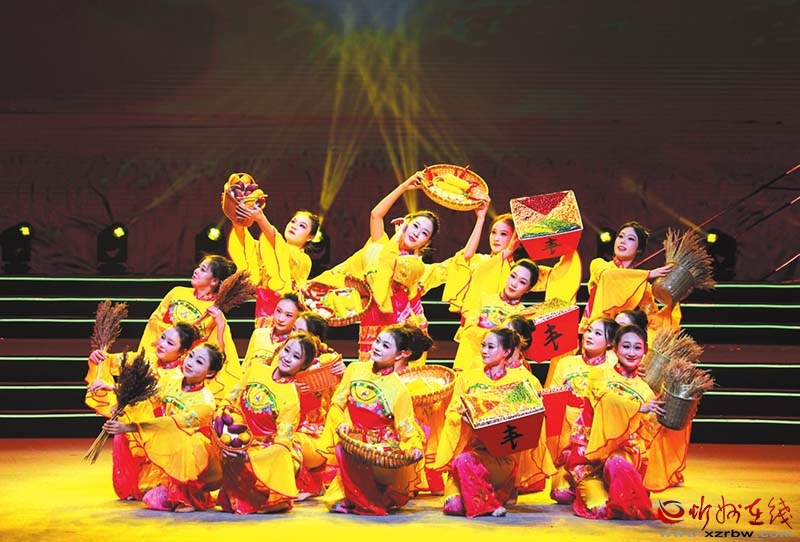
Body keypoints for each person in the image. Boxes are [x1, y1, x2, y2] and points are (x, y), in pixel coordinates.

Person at [310, 172, 457, 361]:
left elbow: (392, 262)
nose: (416, 233)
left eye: (424, 233)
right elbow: (376, 215)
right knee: (368, 371)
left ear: (426, 242)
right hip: (373, 319)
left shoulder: (416, 266)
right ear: (406, 223)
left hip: (401, 324)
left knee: (399, 374)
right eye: (415, 226)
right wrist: (404, 186)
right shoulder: (380, 245)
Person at [433, 327, 553, 518]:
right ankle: (488, 499)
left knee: (464, 461)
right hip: (469, 453)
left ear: (506, 352)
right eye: (483, 346)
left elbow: (530, 423)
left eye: (490, 347)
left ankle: (490, 501)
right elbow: (452, 414)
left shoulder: (520, 383)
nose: (484, 351)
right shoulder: (467, 378)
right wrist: (465, 417)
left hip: (501, 459)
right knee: (453, 506)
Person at [102, 342, 225, 512]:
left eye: (199, 362)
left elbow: (173, 423)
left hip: (194, 456)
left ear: (209, 372)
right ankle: (136, 487)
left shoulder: (206, 402)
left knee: (186, 439)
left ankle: (190, 497)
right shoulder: (171, 381)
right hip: (168, 443)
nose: (190, 363)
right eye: (191, 356)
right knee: (151, 497)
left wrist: (130, 427)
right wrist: (120, 397)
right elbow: (147, 397)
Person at [561, 324, 664, 520]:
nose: (631, 352)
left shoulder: (646, 391)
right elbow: (605, 399)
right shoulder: (598, 374)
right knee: (599, 508)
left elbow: (649, 432)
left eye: (637, 347)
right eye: (626, 346)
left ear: (645, 351)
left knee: (617, 462)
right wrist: (638, 408)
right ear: (615, 349)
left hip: (622, 455)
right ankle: (590, 486)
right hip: (590, 456)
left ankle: (623, 486)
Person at [321, 324, 426, 515]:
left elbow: (406, 427)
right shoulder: (355, 369)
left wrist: (414, 447)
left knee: (353, 456)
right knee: (333, 501)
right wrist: (341, 422)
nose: (377, 347)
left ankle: (372, 497)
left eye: (386, 346)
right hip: (354, 441)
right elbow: (337, 403)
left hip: (381, 448)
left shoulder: (399, 389)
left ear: (401, 354)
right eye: (378, 341)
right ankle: (364, 496)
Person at [216, 332, 319, 514]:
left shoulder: (291, 397)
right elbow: (231, 398)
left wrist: (251, 457)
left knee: (282, 452)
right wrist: (222, 413)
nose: (287, 358)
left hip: (264, 447)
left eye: (296, 356)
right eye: (287, 350)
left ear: (303, 366)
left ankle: (268, 492)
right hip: (238, 436)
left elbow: (283, 440)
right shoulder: (256, 369)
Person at [138, 255, 241, 400]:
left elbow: (218, 352)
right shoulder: (177, 292)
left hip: (184, 369)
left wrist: (220, 325)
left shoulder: (215, 312)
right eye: (198, 267)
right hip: (162, 360)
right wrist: (176, 334)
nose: (196, 271)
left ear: (214, 281)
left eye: (203, 270)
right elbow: (154, 321)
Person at [546, 317, 619, 502]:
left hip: (596, 439)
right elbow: (554, 401)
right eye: (589, 330)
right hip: (568, 439)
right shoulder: (566, 363)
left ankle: (597, 481)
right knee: (560, 493)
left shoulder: (613, 367)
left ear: (610, 343)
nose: (590, 336)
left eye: (598, 333)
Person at [227, 198, 322, 323]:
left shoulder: (303, 260)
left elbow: (279, 246)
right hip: (263, 314)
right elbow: (247, 246)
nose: (294, 226)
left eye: (302, 226)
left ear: (310, 237)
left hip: (286, 316)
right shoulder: (269, 251)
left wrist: (261, 218)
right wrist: (238, 220)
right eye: (293, 221)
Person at [579, 221, 679, 336]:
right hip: (595, 333)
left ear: (639, 249)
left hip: (620, 339)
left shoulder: (642, 286)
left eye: (630, 239)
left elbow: (653, 320)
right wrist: (648, 274)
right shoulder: (599, 264)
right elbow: (609, 276)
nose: (623, 241)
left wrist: (674, 299)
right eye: (620, 236)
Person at [85, 322, 201, 419]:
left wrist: (112, 387)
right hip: (126, 418)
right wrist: (99, 356)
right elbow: (111, 361)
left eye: (170, 343)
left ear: (182, 352)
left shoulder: (178, 376)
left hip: (148, 426)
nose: (162, 344)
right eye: (163, 337)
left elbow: (149, 393)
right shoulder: (146, 358)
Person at [291, 312, 345, 500]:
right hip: (290, 425)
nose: (293, 334)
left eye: (299, 331)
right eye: (293, 329)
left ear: (315, 338)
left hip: (315, 435)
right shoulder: (285, 356)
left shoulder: (326, 364)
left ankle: (309, 484)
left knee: (288, 440)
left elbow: (341, 402)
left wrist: (343, 376)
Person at [451, 259, 540, 372]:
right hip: (468, 364)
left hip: (497, 374)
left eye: (522, 282)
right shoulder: (483, 298)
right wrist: (501, 337)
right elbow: (468, 330)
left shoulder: (522, 316)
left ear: (528, 289)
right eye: (513, 276)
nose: (514, 284)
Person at [240, 292, 303, 374]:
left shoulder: (295, 344)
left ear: (298, 318)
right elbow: (245, 367)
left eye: (288, 315)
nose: (280, 319)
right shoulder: (259, 334)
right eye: (278, 311)